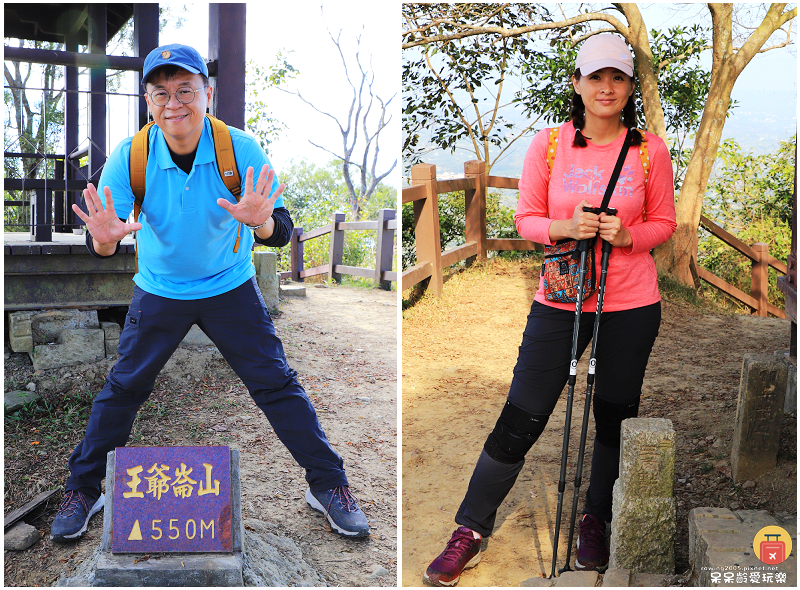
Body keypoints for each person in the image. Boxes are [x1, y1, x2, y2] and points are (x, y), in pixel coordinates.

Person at [50, 43, 369, 543]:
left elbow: (282, 228)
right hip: (159, 290)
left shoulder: (238, 149)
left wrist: (261, 222)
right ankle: (85, 489)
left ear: (207, 93)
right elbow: (103, 241)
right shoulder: (131, 156)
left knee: (276, 384)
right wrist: (105, 240)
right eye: (161, 93)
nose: (174, 102)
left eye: (185, 90)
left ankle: (328, 485)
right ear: (149, 101)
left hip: (228, 286)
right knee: (123, 388)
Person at [423, 34, 676, 585]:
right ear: (578, 83)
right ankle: (470, 528)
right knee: (522, 414)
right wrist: (564, 227)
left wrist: (627, 235)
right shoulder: (550, 145)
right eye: (595, 77)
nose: (606, 88)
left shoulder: (649, 150)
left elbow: (664, 224)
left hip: (632, 302)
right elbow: (527, 219)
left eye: (618, 78)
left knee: (613, 417)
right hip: (561, 297)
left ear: (631, 86)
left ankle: (596, 519)